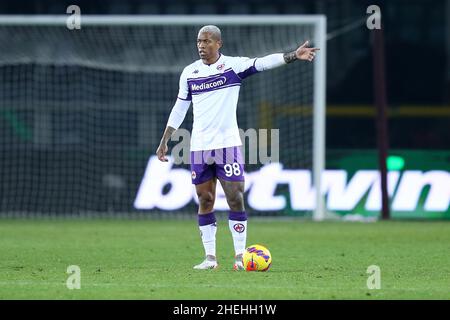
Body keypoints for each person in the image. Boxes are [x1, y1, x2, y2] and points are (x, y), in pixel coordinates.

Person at [156, 25, 319, 270]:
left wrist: (293, 56)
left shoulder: (233, 66)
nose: (201, 46)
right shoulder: (189, 72)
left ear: (218, 43)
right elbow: (180, 108)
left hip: (227, 144)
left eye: (207, 41)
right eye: (199, 41)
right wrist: (165, 140)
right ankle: (210, 258)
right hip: (199, 146)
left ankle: (240, 256)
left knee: (235, 197)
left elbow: (262, 63)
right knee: (205, 198)